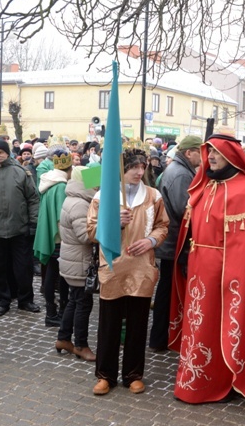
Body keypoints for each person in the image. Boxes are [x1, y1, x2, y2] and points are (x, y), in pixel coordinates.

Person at [168, 132, 245, 404]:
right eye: (208, 152)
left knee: (219, 326)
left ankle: (223, 383)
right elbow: (190, 228)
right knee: (198, 327)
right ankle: (194, 380)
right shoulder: (204, 185)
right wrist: (185, 255)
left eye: (216, 153)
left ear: (232, 156)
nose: (210, 157)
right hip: (198, 267)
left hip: (226, 273)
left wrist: (231, 278)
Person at [87, 148, 168, 396]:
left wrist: (152, 241)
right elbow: (90, 232)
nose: (139, 172)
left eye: (142, 167)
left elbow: (162, 225)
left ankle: (133, 374)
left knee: (137, 323)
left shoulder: (153, 196)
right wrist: (112, 222)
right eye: (134, 167)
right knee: (109, 324)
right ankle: (105, 375)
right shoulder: (103, 197)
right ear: (121, 170)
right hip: (113, 267)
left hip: (142, 267)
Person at [0, 138, 41, 316]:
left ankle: (25, 300)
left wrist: (33, 223)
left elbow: (33, 199)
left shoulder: (21, 173)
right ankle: (2, 301)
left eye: (0, 153)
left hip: (19, 229)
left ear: (7, 153)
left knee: (23, 268)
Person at [149, 135, 202, 352]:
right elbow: (184, 210)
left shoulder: (179, 169)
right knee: (166, 292)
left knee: (166, 291)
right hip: (174, 243)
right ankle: (160, 338)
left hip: (172, 242)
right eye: (200, 151)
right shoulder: (180, 173)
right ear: (189, 153)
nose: (203, 157)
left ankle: (161, 337)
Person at [55, 166, 97, 361]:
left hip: (73, 259)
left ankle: (63, 338)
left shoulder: (74, 198)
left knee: (74, 300)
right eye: (95, 182)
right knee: (83, 304)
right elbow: (85, 236)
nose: (98, 186)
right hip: (79, 261)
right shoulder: (80, 204)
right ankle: (80, 345)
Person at [34, 150, 73, 327]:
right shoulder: (60, 187)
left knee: (51, 273)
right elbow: (60, 217)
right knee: (58, 275)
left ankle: (54, 311)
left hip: (48, 234)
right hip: (58, 238)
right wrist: (67, 239)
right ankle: (54, 313)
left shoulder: (49, 182)